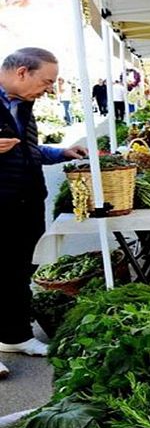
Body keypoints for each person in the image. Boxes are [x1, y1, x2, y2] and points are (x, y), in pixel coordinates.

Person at [0, 48, 88, 379]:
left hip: (25, 201)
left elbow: (28, 150)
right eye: (46, 81)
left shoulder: (24, 104)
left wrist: (60, 152)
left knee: (18, 271)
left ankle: (16, 337)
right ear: (23, 72)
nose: (49, 89)